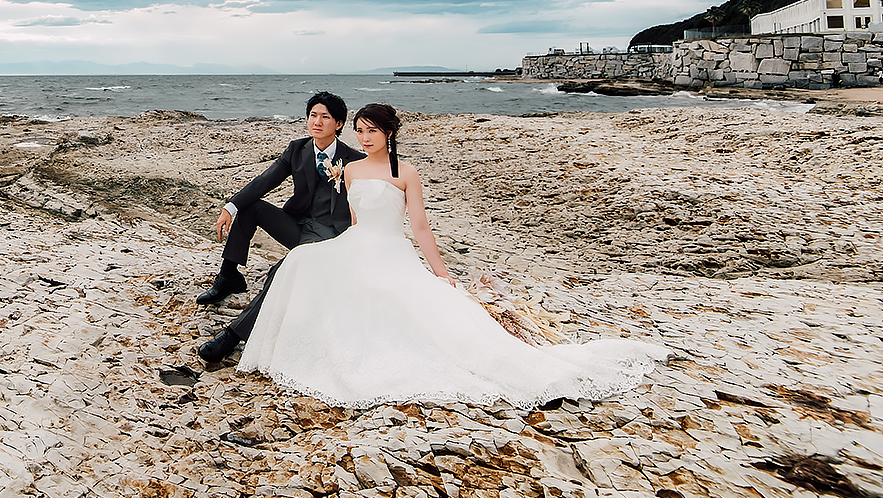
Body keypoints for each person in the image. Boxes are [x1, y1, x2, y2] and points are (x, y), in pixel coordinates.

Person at [235, 103, 668, 408]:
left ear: (389, 134)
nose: (364, 138)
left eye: (372, 131)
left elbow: (419, 227)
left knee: (402, 300)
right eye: (360, 131)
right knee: (300, 262)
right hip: (355, 243)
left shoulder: (405, 172)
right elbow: (351, 218)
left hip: (390, 249)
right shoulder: (349, 169)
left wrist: (441, 273)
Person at [195, 92, 363, 363]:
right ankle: (228, 277)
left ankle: (234, 335)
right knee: (251, 208)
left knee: (280, 272)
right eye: (312, 115)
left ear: (339, 124)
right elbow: (264, 181)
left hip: (328, 239)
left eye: (325, 117)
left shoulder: (355, 160)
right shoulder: (297, 149)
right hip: (298, 225)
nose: (316, 122)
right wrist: (230, 206)